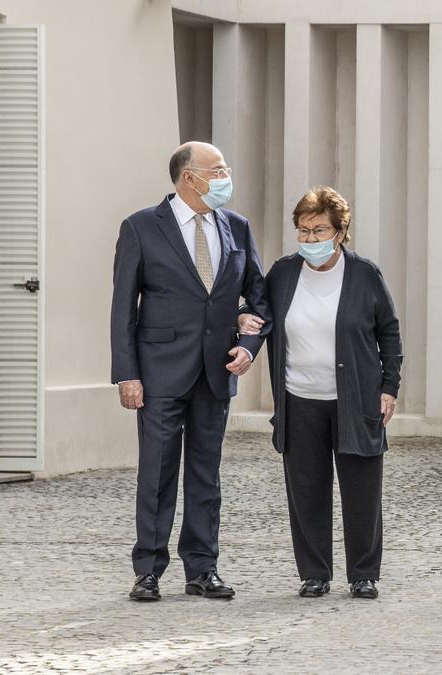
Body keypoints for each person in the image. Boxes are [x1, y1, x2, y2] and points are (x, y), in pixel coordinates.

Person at [111, 142, 271, 601]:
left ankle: (202, 568)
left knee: (206, 474)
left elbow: (257, 301)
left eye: (225, 168)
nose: (225, 177)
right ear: (188, 178)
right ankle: (149, 570)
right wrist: (127, 373)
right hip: (158, 371)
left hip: (215, 371)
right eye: (217, 169)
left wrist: (248, 345)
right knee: (157, 471)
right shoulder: (141, 227)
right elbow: (123, 306)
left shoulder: (236, 227)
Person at [238, 187, 402, 599]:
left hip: (356, 400)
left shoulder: (365, 275)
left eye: (320, 230)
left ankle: (363, 574)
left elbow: (389, 331)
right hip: (299, 400)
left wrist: (390, 386)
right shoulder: (282, 273)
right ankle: (314, 573)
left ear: (341, 231)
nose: (310, 239)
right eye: (303, 230)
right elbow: (257, 310)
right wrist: (242, 315)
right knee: (307, 490)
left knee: (362, 491)